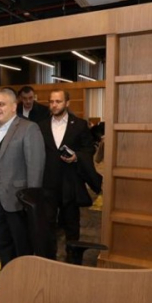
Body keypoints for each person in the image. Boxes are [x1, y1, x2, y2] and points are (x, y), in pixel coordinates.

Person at [0, 88, 45, 291]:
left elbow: (35, 167)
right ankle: (7, 281)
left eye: (1, 104)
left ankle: (25, 285)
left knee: (22, 245)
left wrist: (31, 201)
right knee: (2, 242)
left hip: (19, 200)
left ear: (14, 106)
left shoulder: (29, 128)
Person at [38, 90, 97, 260]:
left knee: (71, 223)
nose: (54, 105)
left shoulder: (79, 125)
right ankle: (49, 257)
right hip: (47, 182)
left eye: (58, 101)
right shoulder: (41, 126)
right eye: (51, 101)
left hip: (70, 182)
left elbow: (89, 148)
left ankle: (72, 258)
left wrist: (77, 156)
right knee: (48, 223)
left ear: (67, 103)